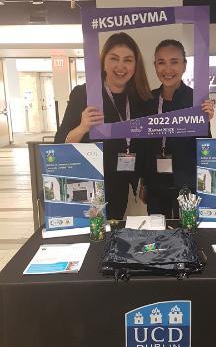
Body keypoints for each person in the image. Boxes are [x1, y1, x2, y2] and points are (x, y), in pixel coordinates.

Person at [54, 32, 152, 220]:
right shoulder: (84, 94)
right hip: (88, 184)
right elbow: (60, 143)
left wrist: (143, 182)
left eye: (128, 60)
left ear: (135, 65)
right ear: (103, 61)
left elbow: (146, 145)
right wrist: (83, 127)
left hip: (120, 185)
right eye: (114, 58)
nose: (121, 66)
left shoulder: (139, 97)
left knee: (111, 237)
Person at [141, 39, 214, 218]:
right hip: (156, 185)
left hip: (187, 183)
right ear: (155, 66)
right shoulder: (149, 100)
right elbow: (144, 146)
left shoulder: (196, 101)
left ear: (184, 65)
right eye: (161, 62)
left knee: (187, 233)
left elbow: (205, 146)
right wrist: (144, 183)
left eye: (174, 62)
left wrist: (206, 119)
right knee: (158, 235)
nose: (167, 69)